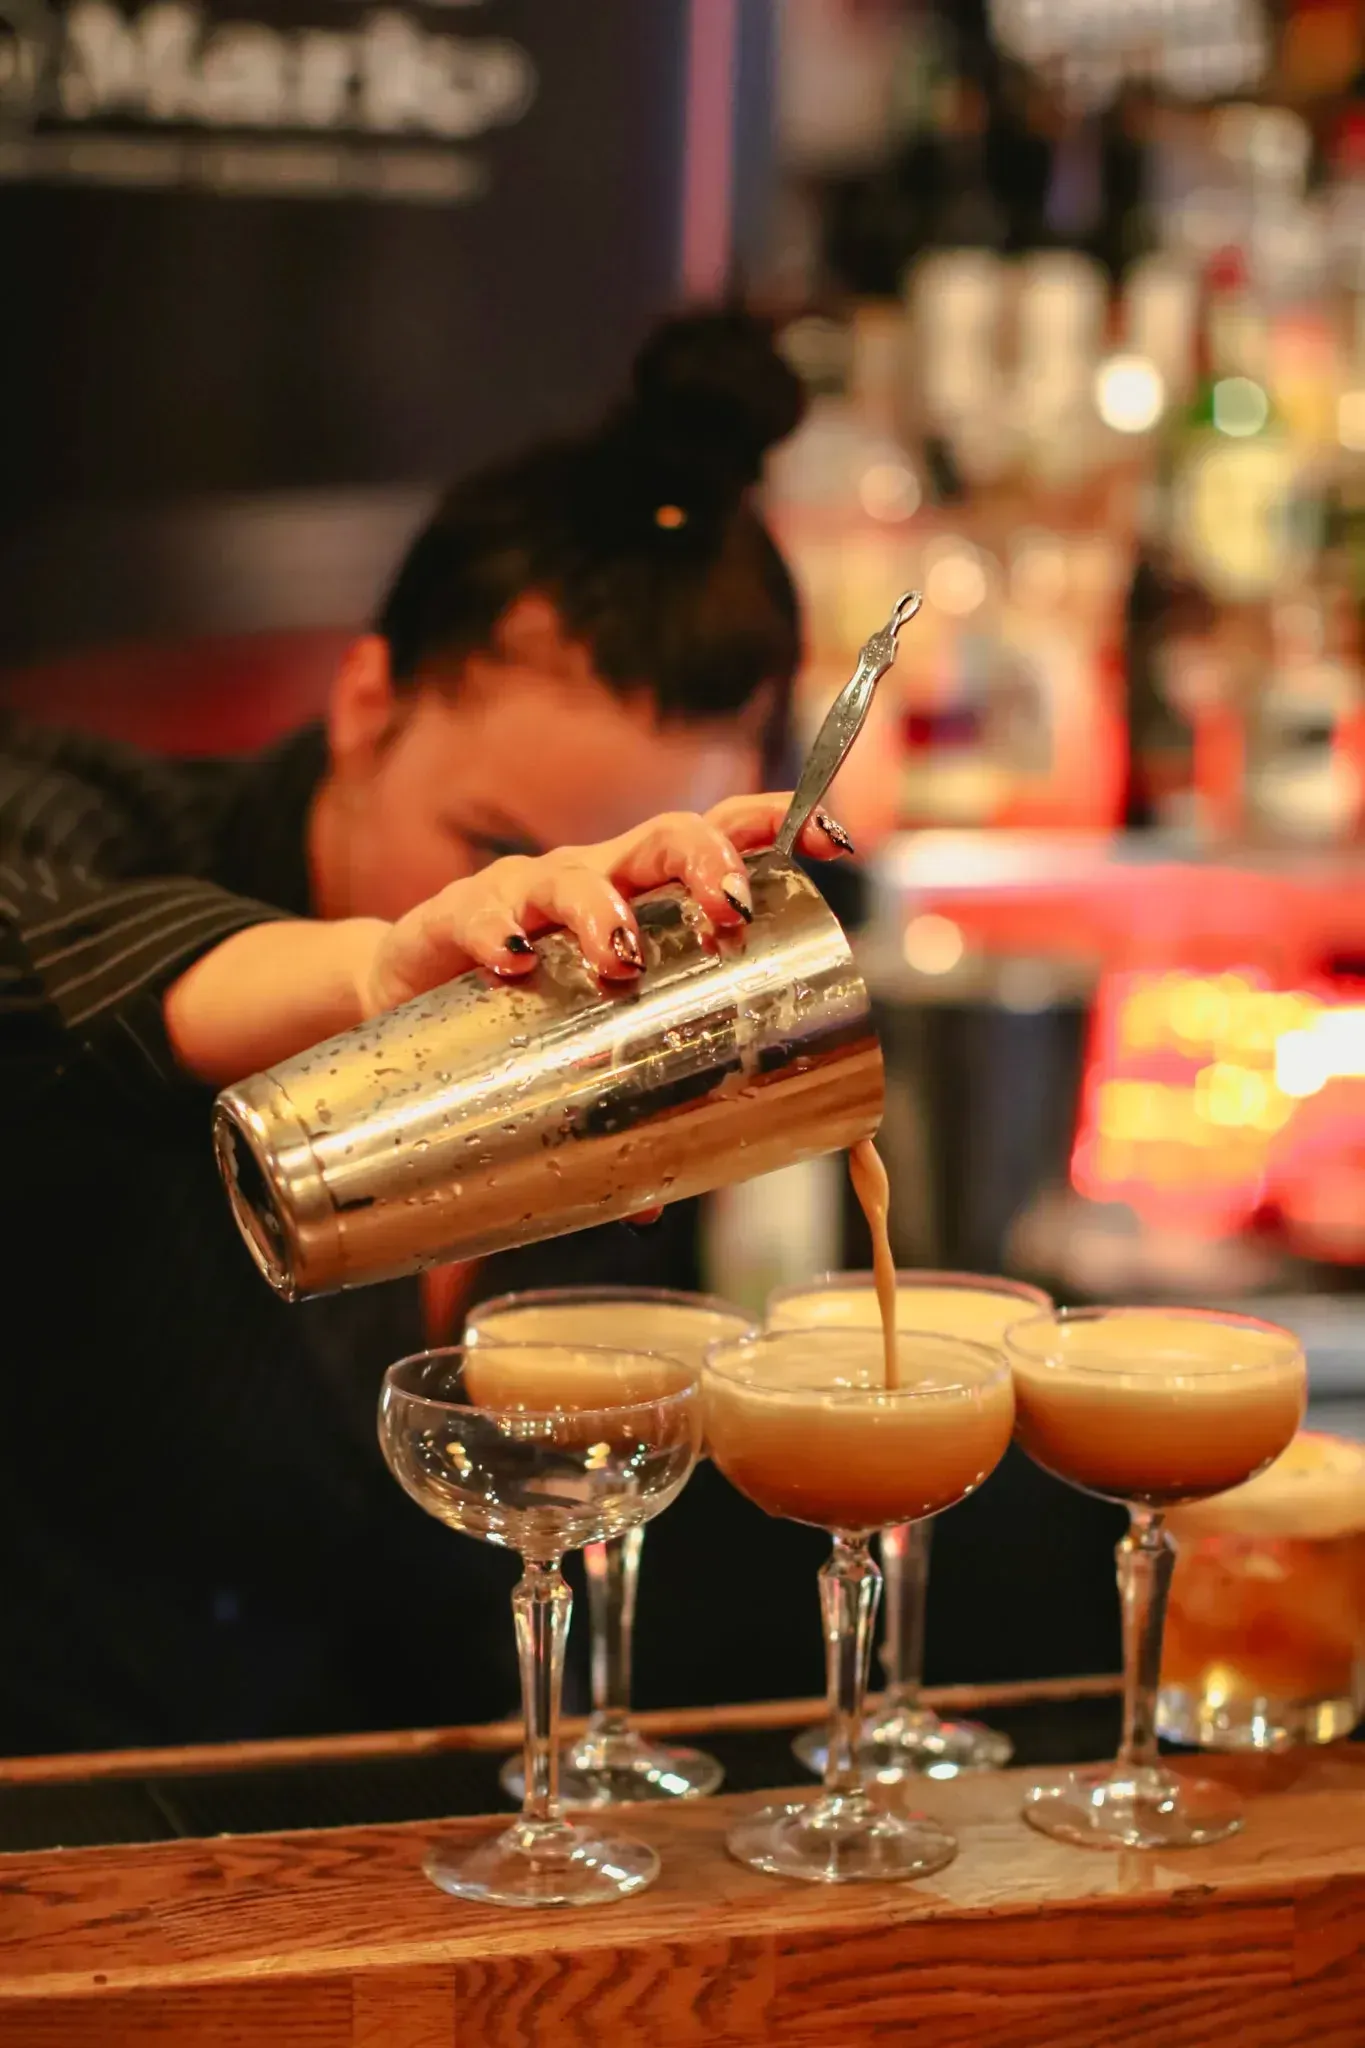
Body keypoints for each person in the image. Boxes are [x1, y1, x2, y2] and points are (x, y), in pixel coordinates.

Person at [0, 311, 855, 1754]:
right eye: (495, 843)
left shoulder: (698, 973)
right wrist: (370, 975)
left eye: (613, 875)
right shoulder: (95, 818)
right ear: (366, 703)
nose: (553, 928)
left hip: (484, 1829)